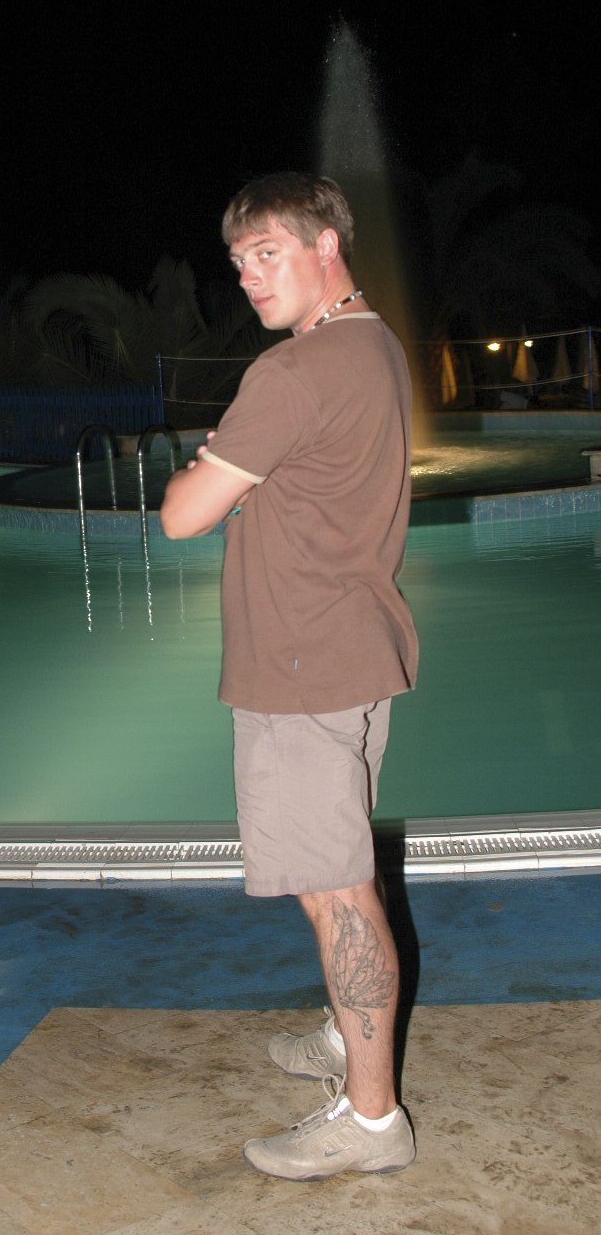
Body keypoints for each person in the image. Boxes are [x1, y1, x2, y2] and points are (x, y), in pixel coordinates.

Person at [160, 171, 418, 1180]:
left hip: (301, 667)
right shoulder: (375, 344)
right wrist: (240, 471)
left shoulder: (292, 371)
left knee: (337, 892)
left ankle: (371, 1122)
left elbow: (181, 514)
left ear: (325, 245)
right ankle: (349, 1034)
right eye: (238, 262)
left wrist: (207, 470)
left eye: (267, 252)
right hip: (352, 646)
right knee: (337, 875)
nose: (249, 278)